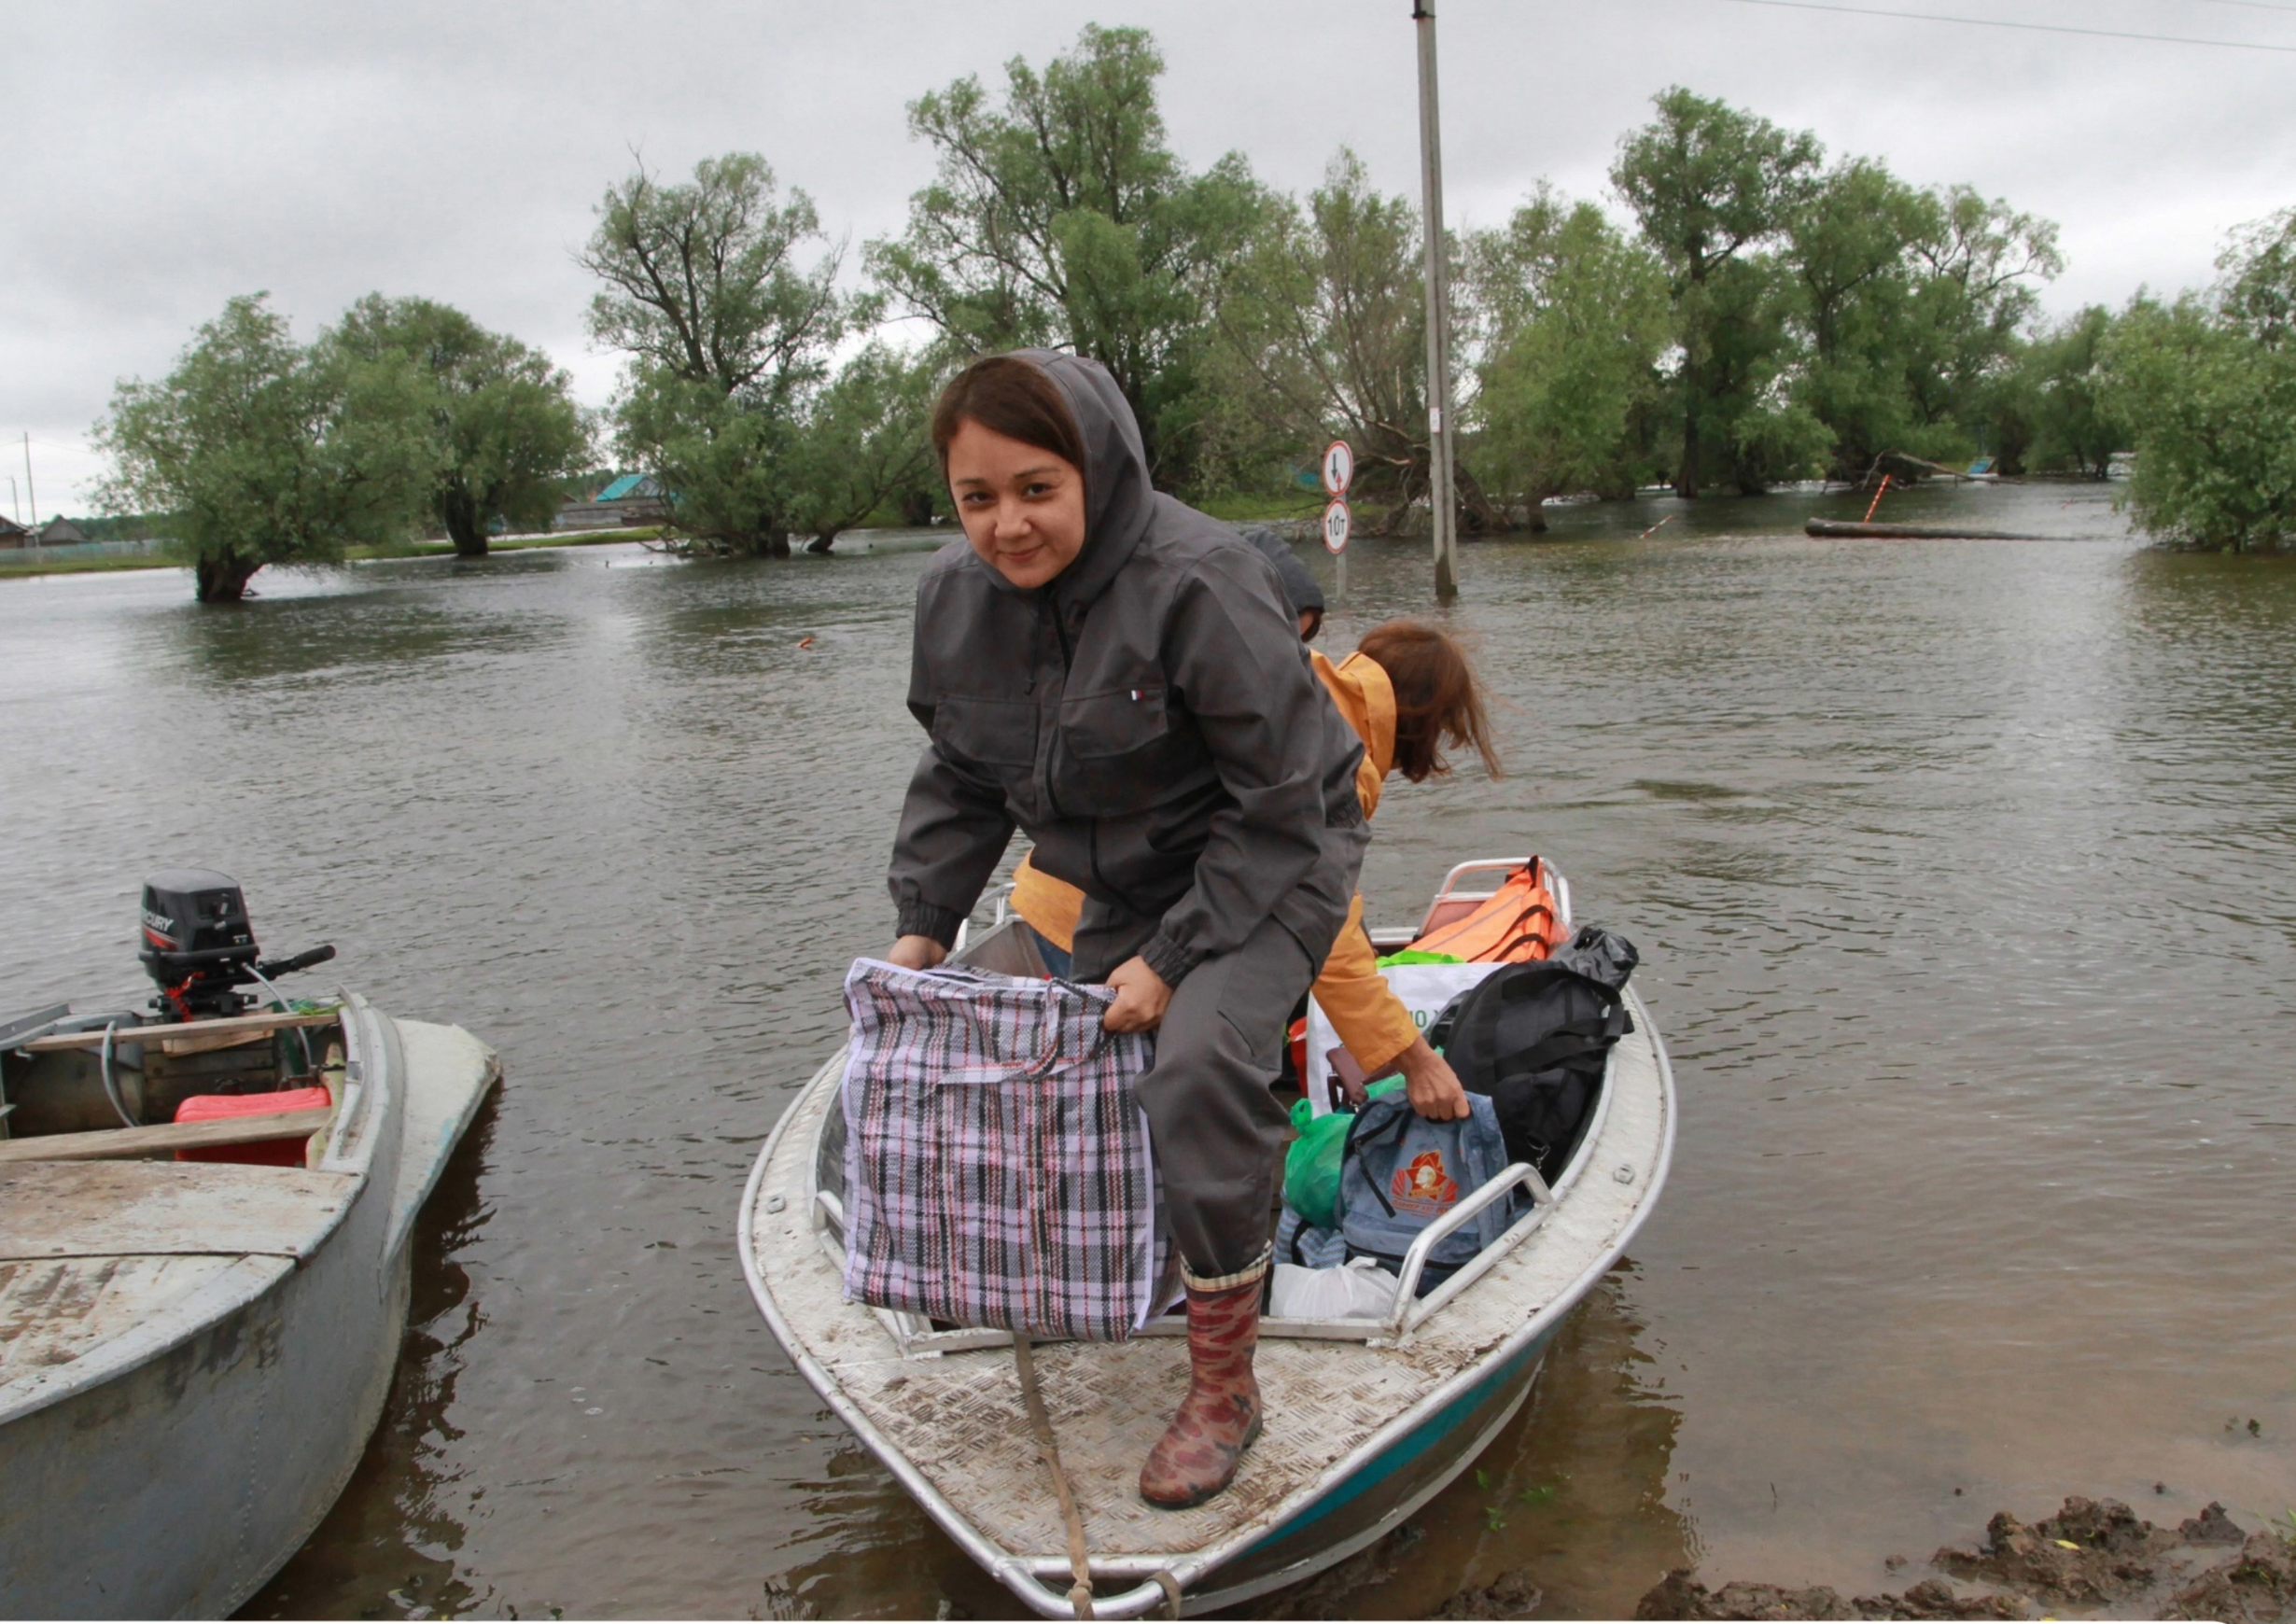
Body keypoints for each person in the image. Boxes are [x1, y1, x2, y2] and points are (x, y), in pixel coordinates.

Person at [884, 351, 1368, 1510]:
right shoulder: (953, 600)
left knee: (1197, 1063)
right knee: (1082, 1066)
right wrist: (919, 929)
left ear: (1096, 470)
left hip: (1276, 846)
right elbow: (959, 777)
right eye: (978, 498)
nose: (1008, 525)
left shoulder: (1200, 580)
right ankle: (1130, 1272)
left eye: (1037, 488)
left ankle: (1224, 1391)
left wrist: (1168, 959)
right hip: (1122, 862)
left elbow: (1280, 804)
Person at [1011, 590, 1503, 1122]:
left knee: (1107, 1089)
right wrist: (1417, 1062)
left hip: (1057, 886)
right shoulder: (1340, 755)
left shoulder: (1297, 680)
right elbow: (1329, 939)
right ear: (1423, 721)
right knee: (1149, 1106)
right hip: (1105, 922)